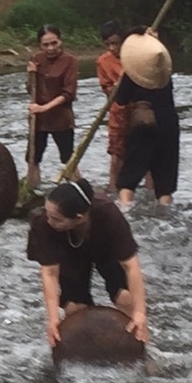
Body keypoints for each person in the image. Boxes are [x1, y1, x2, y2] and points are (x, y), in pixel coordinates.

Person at [27, 178, 150, 349]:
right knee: (74, 308)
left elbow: (131, 265)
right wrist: (53, 318)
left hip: (105, 249)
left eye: (56, 219)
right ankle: (85, 353)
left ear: (78, 218)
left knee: (125, 298)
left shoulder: (108, 215)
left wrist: (140, 313)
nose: (49, 221)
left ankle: (143, 347)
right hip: (68, 254)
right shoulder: (44, 225)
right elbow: (49, 273)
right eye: (48, 215)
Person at [115, 30, 180, 207]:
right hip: (169, 122)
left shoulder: (131, 75)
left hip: (144, 123)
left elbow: (120, 99)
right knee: (165, 186)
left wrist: (120, 81)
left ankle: (125, 213)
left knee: (127, 180)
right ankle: (165, 212)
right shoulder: (165, 75)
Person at [26, 24, 79, 188]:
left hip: (61, 119)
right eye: (46, 45)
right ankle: (32, 190)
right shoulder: (37, 59)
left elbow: (68, 93)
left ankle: (80, 191)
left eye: (54, 43)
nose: (50, 48)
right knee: (33, 158)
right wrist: (31, 74)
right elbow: (30, 89)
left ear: (60, 41)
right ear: (40, 45)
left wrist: (45, 107)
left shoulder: (70, 61)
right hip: (39, 120)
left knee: (68, 159)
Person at [96, 21, 129, 192]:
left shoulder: (135, 57)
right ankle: (113, 188)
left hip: (140, 112)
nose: (112, 48)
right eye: (108, 44)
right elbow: (107, 89)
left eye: (115, 43)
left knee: (145, 157)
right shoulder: (103, 61)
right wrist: (116, 87)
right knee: (116, 155)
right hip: (118, 113)